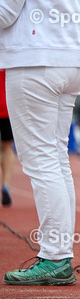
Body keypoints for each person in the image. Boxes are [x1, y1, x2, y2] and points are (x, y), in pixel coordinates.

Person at [0, 0, 80, 286]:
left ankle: (55, 256)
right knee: (56, 159)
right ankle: (59, 254)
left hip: (35, 62)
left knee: (40, 163)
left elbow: (4, 12)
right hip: (70, 59)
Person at [0, 70, 15, 207]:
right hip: (7, 107)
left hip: (7, 107)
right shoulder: (10, 59)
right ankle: (6, 184)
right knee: (7, 148)